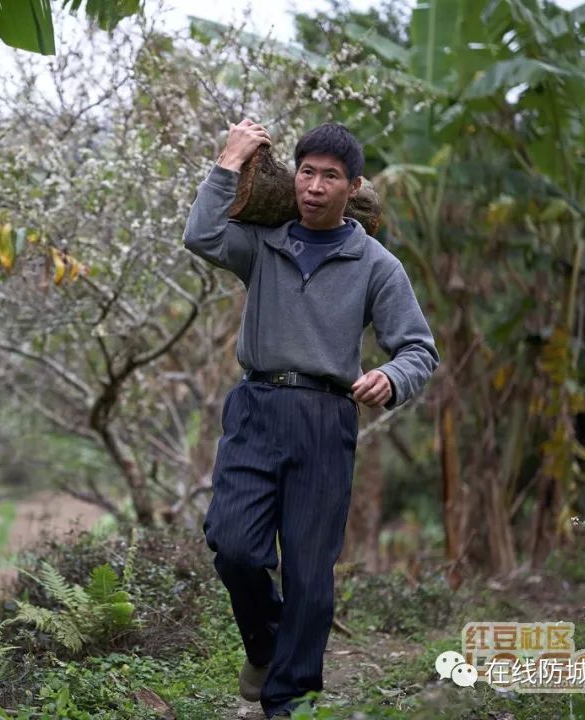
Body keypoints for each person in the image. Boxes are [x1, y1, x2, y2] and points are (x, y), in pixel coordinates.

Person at [183, 120, 439, 717]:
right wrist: (229, 161)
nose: (315, 186)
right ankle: (269, 645)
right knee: (233, 545)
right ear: (293, 176)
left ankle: (288, 702)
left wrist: (391, 377)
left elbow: (418, 349)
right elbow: (200, 236)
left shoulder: (376, 264)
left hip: (326, 420)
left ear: (353, 189)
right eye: (306, 172)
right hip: (255, 408)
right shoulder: (263, 244)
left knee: (308, 571)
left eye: (330, 176)